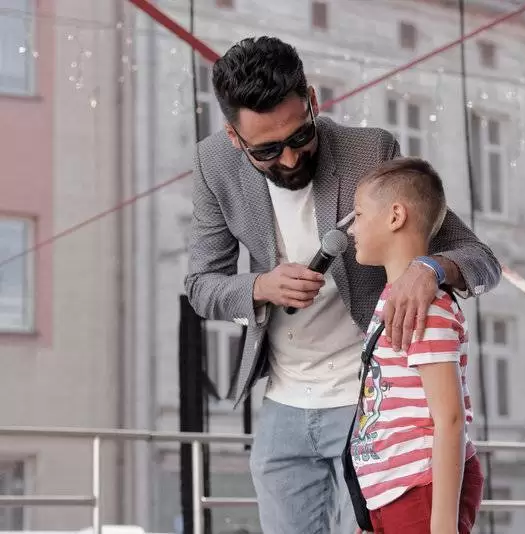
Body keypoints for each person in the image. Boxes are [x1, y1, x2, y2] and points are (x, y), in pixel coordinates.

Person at [184, 35, 501, 534]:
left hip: (368, 402)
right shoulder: (213, 166)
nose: (290, 159)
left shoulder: (368, 152)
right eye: (267, 150)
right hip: (284, 400)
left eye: (299, 136)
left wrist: (430, 269)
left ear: (312, 101)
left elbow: (480, 259)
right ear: (233, 137)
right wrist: (260, 286)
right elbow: (202, 285)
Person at [346, 157, 483, 534]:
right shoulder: (392, 300)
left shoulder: (425, 307)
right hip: (394, 490)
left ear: (395, 216)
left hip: (421, 486)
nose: (352, 228)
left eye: (359, 214)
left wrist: (442, 524)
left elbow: (450, 418)